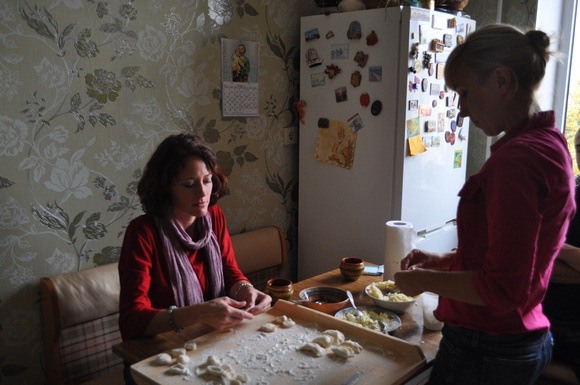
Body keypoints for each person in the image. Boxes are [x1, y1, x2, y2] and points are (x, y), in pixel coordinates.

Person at [394, 24, 576, 385]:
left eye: (464, 92)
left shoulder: (517, 161)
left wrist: (420, 282)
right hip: (521, 337)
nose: (460, 109)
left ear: (501, 80)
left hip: (488, 349)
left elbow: (502, 290)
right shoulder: (549, 142)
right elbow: (518, 261)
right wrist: (446, 263)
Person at [118, 133, 272, 382]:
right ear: (166, 186)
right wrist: (199, 313)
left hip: (209, 345)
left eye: (208, 181)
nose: (203, 193)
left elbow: (230, 269)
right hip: (157, 359)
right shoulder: (143, 232)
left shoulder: (214, 216)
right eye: (189, 184)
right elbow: (131, 320)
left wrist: (246, 290)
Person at [542, 128, 580, 381]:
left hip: (572, 321)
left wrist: (556, 246)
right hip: (549, 310)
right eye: (579, 148)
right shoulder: (572, 190)